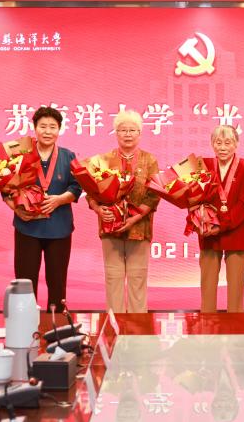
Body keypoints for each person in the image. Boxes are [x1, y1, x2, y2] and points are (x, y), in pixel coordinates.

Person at [10, 107, 81, 310]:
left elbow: (77, 187)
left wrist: (60, 199)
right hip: (27, 227)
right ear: (34, 128)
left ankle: (57, 324)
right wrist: (15, 208)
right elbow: (6, 185)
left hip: (59, 228)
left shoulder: (68, 156)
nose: (47, 131)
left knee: (57, 282)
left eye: (52, 127)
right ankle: (24, 323)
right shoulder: (20, 154)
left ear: (59, 129)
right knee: (25, 282)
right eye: (43, 126)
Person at [88, 110, 160, 313]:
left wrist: (135, 217)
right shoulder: (102, 160)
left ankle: (138, 326)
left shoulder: (149, 160)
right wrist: (99, 209)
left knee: (138, 278)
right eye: (123, 130)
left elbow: (155, 194)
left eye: (132, 130)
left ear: (140, 133)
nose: (127, 134)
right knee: (113, 278)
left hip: (139, 228)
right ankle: (115, 326)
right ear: (116, 133)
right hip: (110, 227)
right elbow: (91, 192)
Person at [198, 125, 244, 313]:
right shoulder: (203, 166)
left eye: (227, 143)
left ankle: (236, 328)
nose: (222, 147)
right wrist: (200, 220)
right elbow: (194, 198)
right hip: (209, 233)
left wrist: (221, 225)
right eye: (218, 142)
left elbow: (243, 205)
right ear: (212, 144)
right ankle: (207, 326)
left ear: (236, 144)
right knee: (207, 287)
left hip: (236, 232)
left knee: (236, 290)